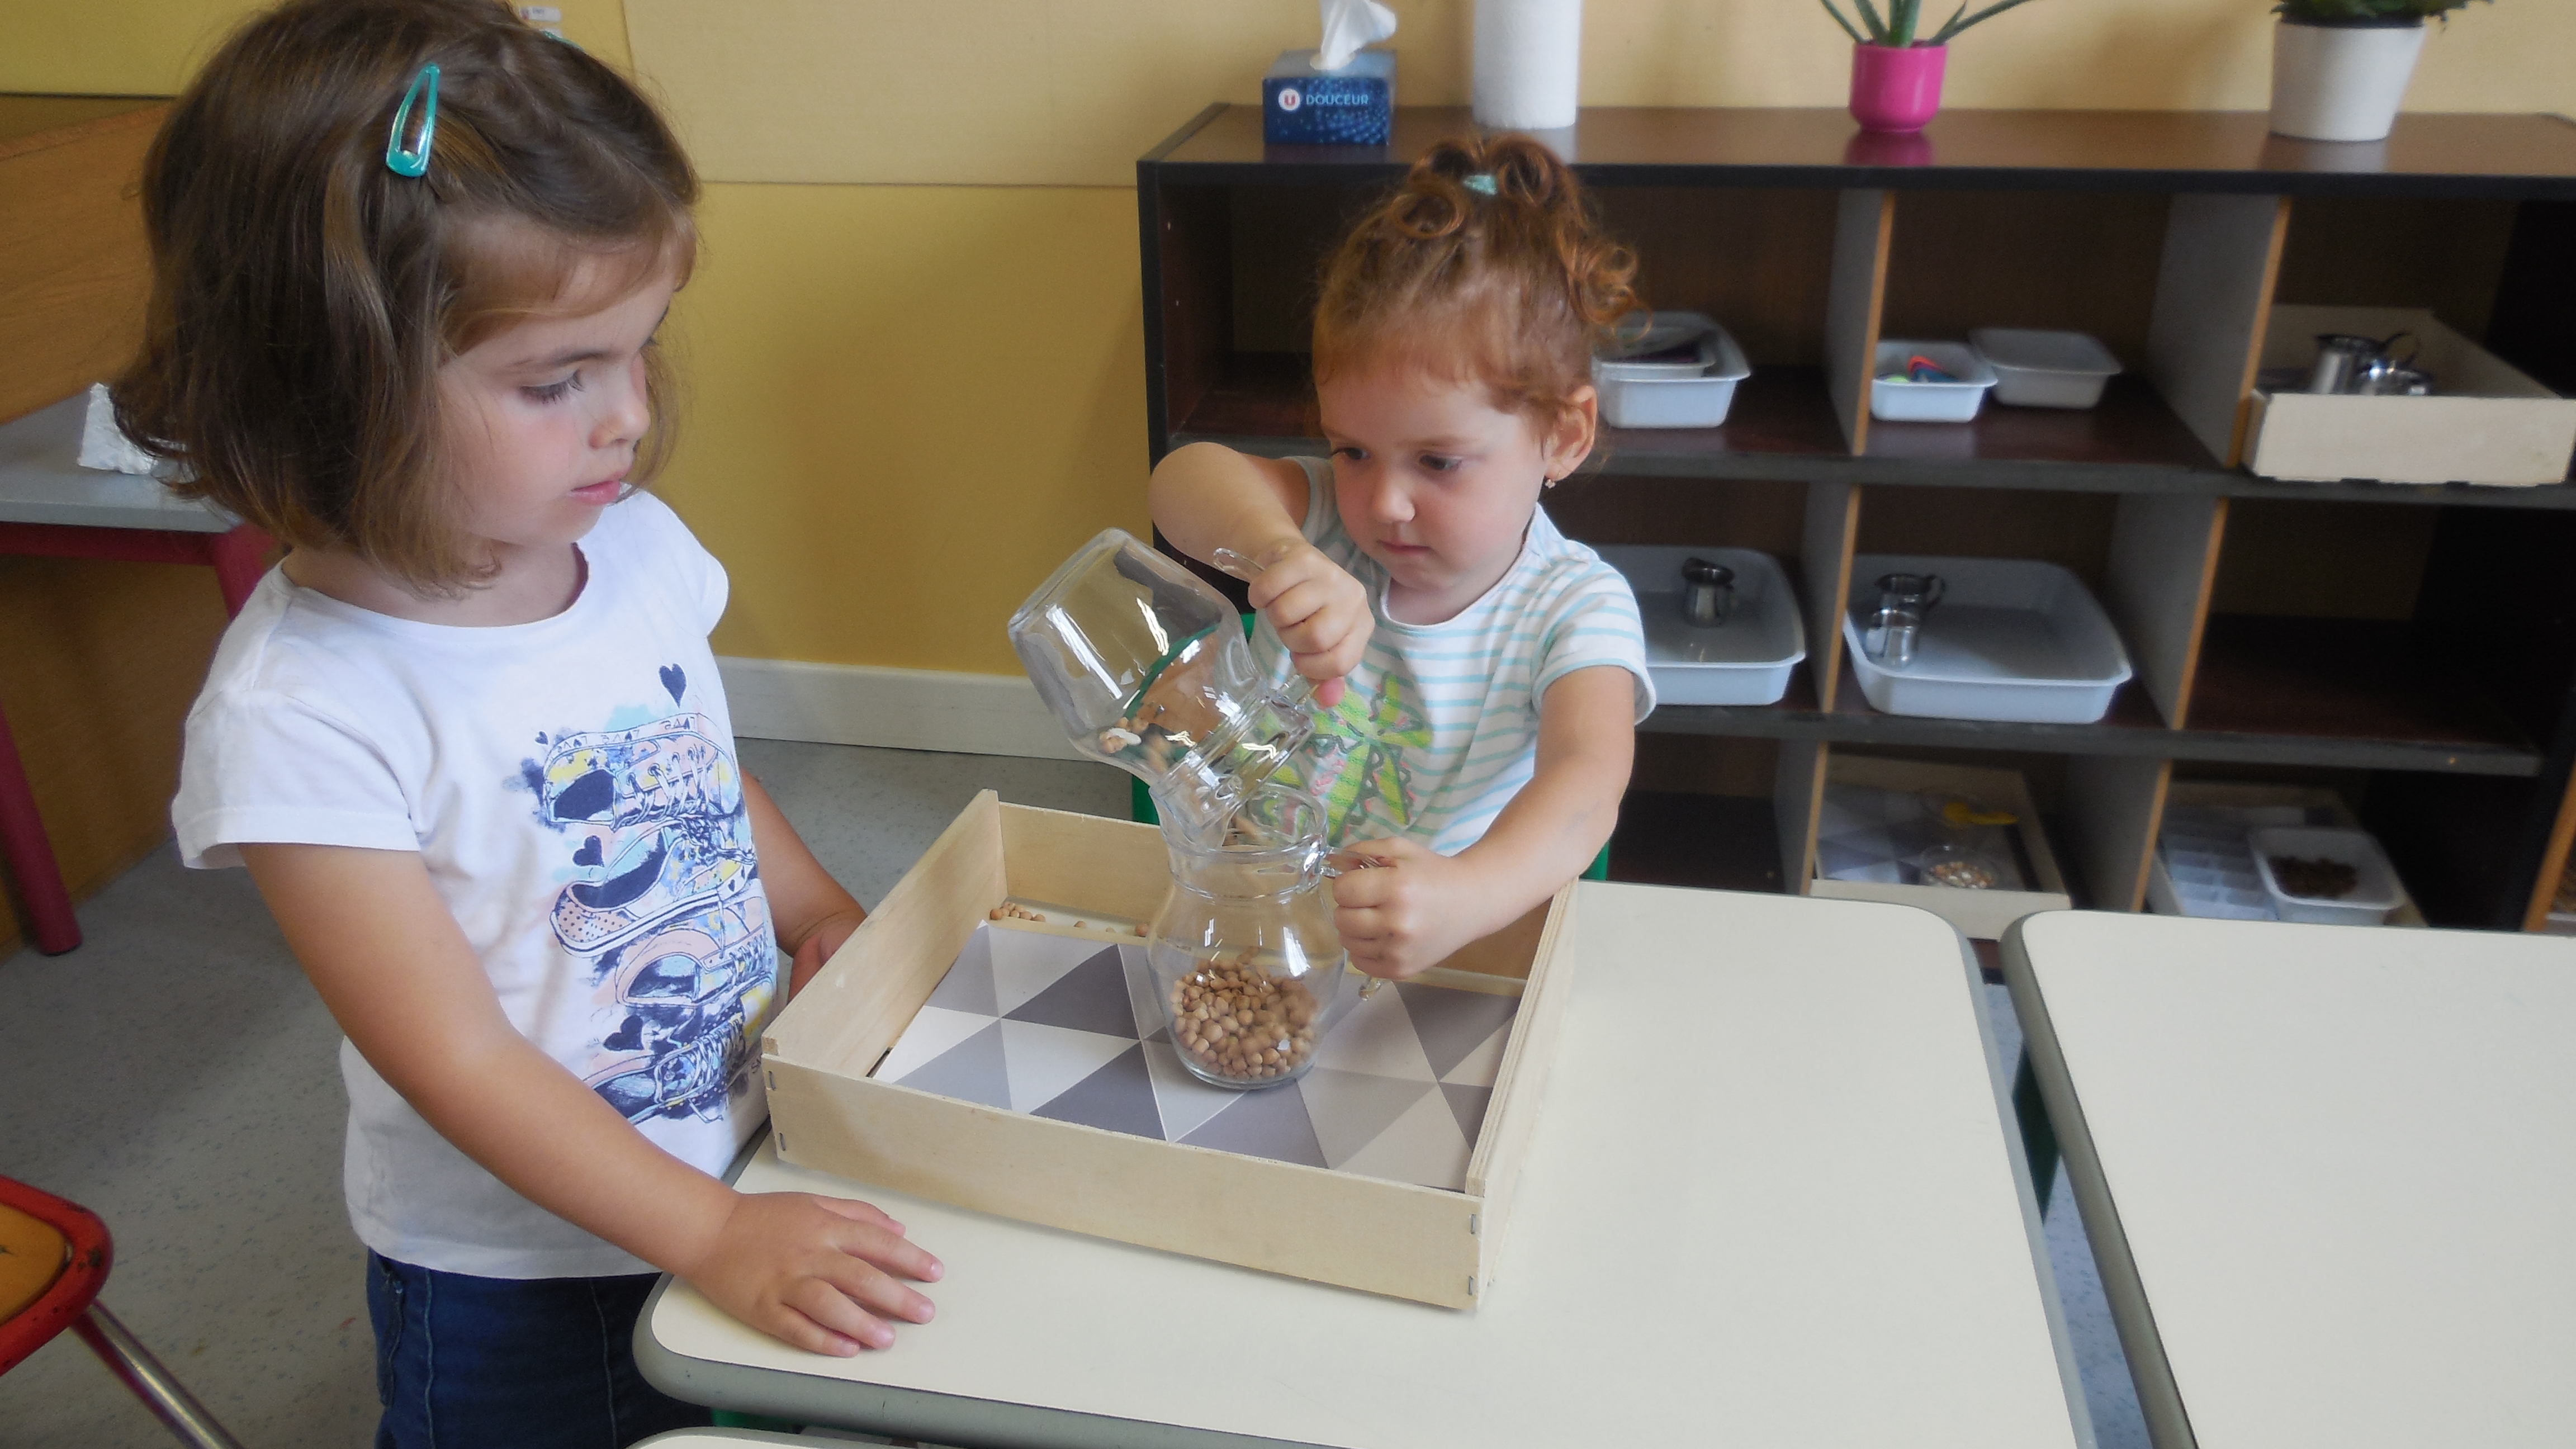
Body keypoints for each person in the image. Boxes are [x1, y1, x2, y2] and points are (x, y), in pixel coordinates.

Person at [117, 2, 939, 1441]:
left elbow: (697, 778)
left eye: (639, 349)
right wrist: (707, 1233)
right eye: (558, 380)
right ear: (330, 383)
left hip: (738, 1144)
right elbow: (457, 1061)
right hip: (520, 1280)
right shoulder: (304, 715)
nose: (627, 416)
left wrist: (819, 912)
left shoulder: (627, 547)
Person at [1148, 133, 1655, 983]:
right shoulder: (1322, 523)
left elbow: (1587, 784)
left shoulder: (1576, 605)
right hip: (1258, 915)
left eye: (1438, 461)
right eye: (1352, 451)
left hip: (1443, 947)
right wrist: (1279, 551)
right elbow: (1181, 481)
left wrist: (1467, 895)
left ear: (1563, 436)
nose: (1384, 502)